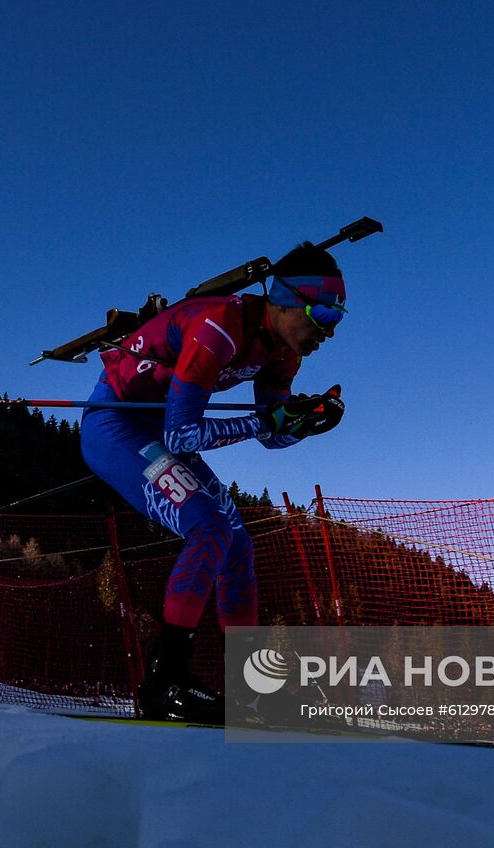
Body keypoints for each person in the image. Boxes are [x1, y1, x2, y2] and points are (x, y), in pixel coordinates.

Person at [79, 242, 348, 722]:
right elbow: (184, 435)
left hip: (160, 427)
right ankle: (165, 682)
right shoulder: (219, 327)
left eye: (338, 319)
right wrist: (267, 423)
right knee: (209, 527)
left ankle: (252, 689)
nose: (328, 331)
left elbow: (270, 438)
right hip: (117, 424)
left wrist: (300, 426)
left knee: (239, 545)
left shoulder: (286, 353)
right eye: (323, 314)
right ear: (285, 300)